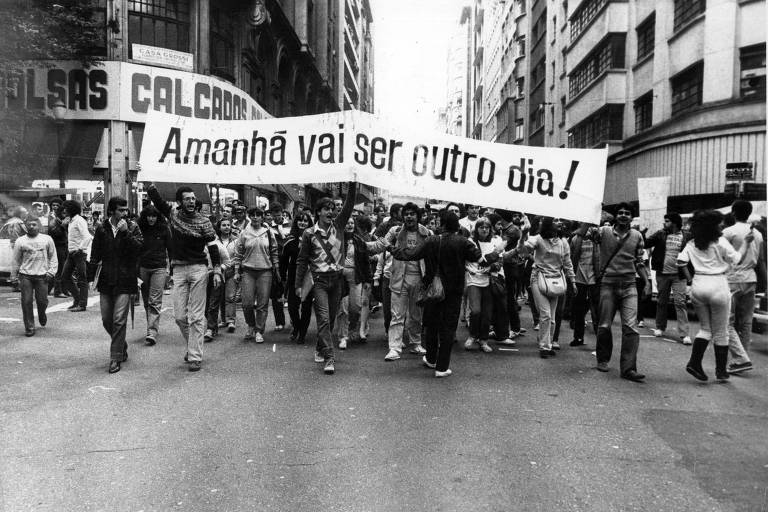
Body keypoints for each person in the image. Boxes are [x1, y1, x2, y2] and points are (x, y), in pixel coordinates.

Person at [391, 212, 483, 377]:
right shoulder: (463, 242)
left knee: (432, 325)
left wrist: (390, 248)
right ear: (457, 225)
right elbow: (479, 258)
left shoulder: (432, 240)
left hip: (432, 289)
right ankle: (442, 367)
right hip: (454, 291)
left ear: (443, 224)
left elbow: (410, 255)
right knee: (448, 328)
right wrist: (500, 250)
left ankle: (431, 358)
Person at [147, 184, 222, 372]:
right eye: (187, 199)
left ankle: (195, 356)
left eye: (193, 198)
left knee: (196, 316)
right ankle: (193, 346)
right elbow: (158, 201)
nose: (191, 201)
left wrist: (218, 270)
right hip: (178, 270)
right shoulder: (173, 215)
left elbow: (213, 246)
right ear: (180, 202)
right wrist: (151, 186)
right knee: (180, 317)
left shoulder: (204, 221)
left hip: (199, 269)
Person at [678, 209, 754, 382]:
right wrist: (746, 244)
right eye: (720, 222)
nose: (723, 224)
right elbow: (736, 259)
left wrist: (690, 280)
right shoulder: (720, 241)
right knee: (721, 331)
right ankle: (721, 371)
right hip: (718, 284)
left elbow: (681, 262)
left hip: (698, 284)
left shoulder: (691, 243)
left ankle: (694, 363)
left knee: (705, 329)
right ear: (712, 225)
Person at [295, 182, 359, 375]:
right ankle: (330, 357)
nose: (331, 212)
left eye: (333, 209)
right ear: (318, 212)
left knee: (330, 319)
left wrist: (353, 184)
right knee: (323, 318)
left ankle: (320, 347)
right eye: (326, 209)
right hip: (319, 281)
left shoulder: (339, 226)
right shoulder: (309, 234)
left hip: (337, 280)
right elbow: (302, 260)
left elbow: (348, 205)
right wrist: (298, 285)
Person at [594, 203, 651, 382]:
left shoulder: (637, 236)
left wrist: (647, 282)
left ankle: (628, 369)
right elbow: (585, 234)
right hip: (607, 284)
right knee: (604, 325)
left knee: (631, 328)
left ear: (632, 217)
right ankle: (603, 359)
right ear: (615, 216)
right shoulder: (603, 232)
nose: (623, 215)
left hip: (629, 285)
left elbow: (639, 261)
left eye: (627, 213)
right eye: (620, 213)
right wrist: (590, 216)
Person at [367, 202, 430, 361]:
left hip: (419, 280)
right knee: (397, 315)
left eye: (412, 214)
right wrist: (364, 245)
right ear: (403, 217)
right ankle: (394, 348)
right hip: (398, 279)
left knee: (416, 315)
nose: (409, 216)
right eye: (406, 214)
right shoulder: (394, 231)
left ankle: (416, 343)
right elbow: (379, 245)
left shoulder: (426, 233)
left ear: (417, 216)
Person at [89, 197, 143, 374]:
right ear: (111, 211)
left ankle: (115, 357)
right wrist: (90, 277)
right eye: (121, 210)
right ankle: (122, 345)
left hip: (125, 279)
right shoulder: (101, 228)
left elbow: (138, 250)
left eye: (126, 210)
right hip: (106, 279)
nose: (124, 213)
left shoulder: (133, 227)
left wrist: (126, 233)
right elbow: (95, 253)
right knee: (107, 319)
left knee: (119, 319)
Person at [524, 217, 577, 358]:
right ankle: (544, 347)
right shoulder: (538, 239)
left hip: (556, 280)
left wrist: (572, 280)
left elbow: (567, 262)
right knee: (546, 314)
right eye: (555, 220)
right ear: (548, 223)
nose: (559, 222)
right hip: (538, 278)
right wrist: (523, 235)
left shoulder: (563, 242)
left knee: (552, 317)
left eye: (560, 220)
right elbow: (524, 249)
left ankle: (547, 341)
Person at [723, 200, 764, 374]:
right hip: (751, 279)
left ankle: (740, 358)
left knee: (727, 322)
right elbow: (761, 261)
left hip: (732, 278)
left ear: (733, 213)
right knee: (746, 322)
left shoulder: (728, 232)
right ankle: (743, 358)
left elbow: (722, 257)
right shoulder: (759, 234)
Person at [464, 217, 517, 351]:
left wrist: (492, 267)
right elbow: (481, 260)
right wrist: (496, 252)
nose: (484, 230)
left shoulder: (496, 241)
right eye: (481, 227)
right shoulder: (471, 242)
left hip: (490, 279)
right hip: (474, 279)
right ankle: (472, 336)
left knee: (487, 312)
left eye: (487, 227)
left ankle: (483, 340)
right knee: (475, 310)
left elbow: (500, 262)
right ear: (476, 229)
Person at [231, 207, 280, 343]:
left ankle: (259, 330)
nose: (255, 217)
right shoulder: (244, 232)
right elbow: (238, 252)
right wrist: (236, 271)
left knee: (262, 304)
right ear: (249, 216)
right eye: (252, 215)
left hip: (265, 271)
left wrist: (276, 268)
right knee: (246, 303)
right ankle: (250, 325)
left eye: (258, 215)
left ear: (262, 217)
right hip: (248, 271)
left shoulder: (268, 232)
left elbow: (274, 251)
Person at [644, 212, 691, 344]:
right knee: (661, 301)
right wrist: (641, 234)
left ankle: (684, 333)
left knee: (680, 302)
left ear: (675, 223)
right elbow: (646, 243)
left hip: (679, 274)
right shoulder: (660, 233)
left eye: (667, 221)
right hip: (662, 273)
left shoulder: (687, 235)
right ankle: (660, 327)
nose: (665, 223)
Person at [10, 216, 58, 336]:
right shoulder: (20, 241)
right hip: (25, 276)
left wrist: (51, 272)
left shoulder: (47, 239)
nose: (31, 226)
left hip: (43, 276)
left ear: (39, 226)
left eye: (34, 224)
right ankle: (30, 327)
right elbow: (15, 260)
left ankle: (42, 313)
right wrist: (13, 277)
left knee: (42, 301)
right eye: (29, 224)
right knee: (26, 301)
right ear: (25, 226)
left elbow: (53, 257)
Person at [334, 216, 373, 349]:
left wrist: (368, 279)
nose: (349, 225)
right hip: (340, 277)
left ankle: (353, 329)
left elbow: (366, 262)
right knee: (342, 309)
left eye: (352, 223)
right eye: (347, 223)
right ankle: (343, 337)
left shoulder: (359, 241)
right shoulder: (337, 240)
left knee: (356, 307)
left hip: (356, 277)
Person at [137, 205, 170, 346]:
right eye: (149, 216)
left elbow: (171, 247)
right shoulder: (139, 229)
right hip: (143, 267)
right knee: (146, 301)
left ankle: (152, 332)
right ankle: (151, 326)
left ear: (158, 217)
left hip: (159, 268)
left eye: (154, 216)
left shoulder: (164, 229)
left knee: (154, 301)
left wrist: (171, 267)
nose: (151, 218)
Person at [280, 212, 314, 344]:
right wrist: (282, 278)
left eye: (306, 221)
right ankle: (297, 327)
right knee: (293, 308)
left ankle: (302, 334)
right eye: (300, 220)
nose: (303, 223)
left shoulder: (314, 239)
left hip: (309, 277)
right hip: (293, 277)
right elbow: (283, 261)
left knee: (306, 307)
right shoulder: (290, 240)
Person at [569, 222, 600, 346]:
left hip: (594, 279)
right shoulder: (576, 240)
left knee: (597, 312)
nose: (589, 228)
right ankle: (578, 338)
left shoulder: (598, 240)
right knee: (579, 311)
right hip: (579, 279)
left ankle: (600, 342)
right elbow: (570, 258)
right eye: (586, 225)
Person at [60, 200, 92, 312]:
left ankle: (82, 304)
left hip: (79, 253)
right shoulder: (71, 221)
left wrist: (80, 249)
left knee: (82, 279)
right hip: (72, 253)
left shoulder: (79, 220)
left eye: (66, 208)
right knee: (65, 277)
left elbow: (87, 237)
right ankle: (77, 300)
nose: (64, 210)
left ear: (71, 209)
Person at [204, 222, 232, 342]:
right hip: (202, 278)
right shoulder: (198, 245)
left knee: (213, 304)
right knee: (205, 306)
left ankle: (210, 329)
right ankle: (213, 326)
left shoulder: (218, 245)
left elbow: (228, 262)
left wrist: (219, 270)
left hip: (216, 277)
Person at [265, 205, 287, 331]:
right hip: (275, 262)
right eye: (274, 215)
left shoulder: (290, 225)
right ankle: (280, 321)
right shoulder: (268, 228)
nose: (277, 217)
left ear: (282, 213)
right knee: (276, 294)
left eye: (279, 214)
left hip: (289, 262)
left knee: (290, 291)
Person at [217, 218, 239, 333]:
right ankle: (224, 319)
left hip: (231, 271)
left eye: (228, 225)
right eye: (223, 225)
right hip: (218, 272)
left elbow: (238, 256)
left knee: (230, 297)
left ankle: (231, 320)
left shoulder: (235, 240)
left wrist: (231, 267)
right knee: (220, 297)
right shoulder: (215, 240)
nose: (226, 227)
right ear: (219, 227)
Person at [47, 199, 69, 298]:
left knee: (65, 269)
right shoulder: (54, 221)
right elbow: (55, 234)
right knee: (59, 269)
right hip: (57, 246)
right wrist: (63, 226)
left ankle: (64, 290)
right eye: (63, 212)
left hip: (64, 246)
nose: (65, 214)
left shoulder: (61, 220)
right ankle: (57, 291)